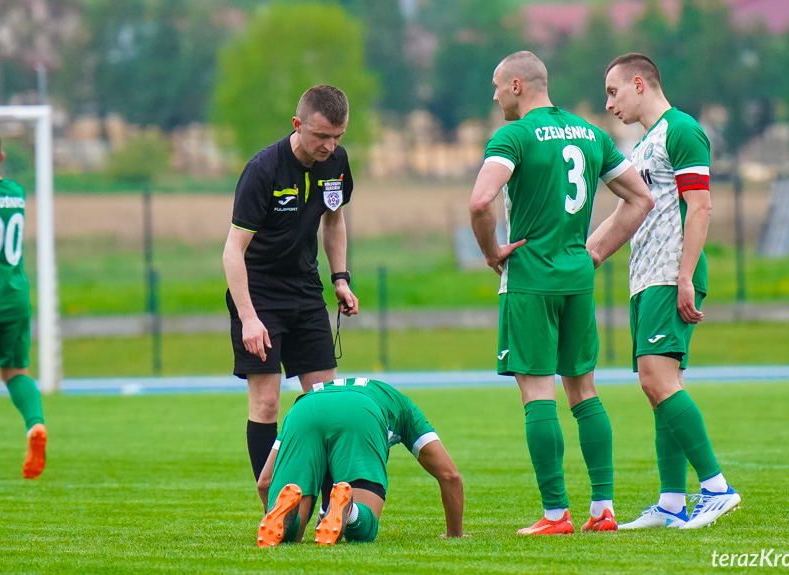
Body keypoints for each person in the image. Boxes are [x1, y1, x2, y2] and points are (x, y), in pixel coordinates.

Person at [469, 51, 653, 535]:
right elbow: (641, 198)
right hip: (576, 278)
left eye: (495, 85)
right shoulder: (592, 134)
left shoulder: (514, 136)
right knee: (585, 391)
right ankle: (603, 510)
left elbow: (481, 200)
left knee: (536, 393)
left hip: (529, 279)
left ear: (515, 85)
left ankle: (555, 515)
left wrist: (492, 251)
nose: (492, 96)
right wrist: (595, 252)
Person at [595, 53, 740, 529]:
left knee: (657, 380)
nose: (609, 103)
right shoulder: (643, 145)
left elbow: (700, 207)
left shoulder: (681, 130)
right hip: (645, 278)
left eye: (614, 91)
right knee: (659, 389)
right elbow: (625, 216)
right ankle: (672, 503)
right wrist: (584, 256)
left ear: (640, 84)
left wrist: (685, 275)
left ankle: (716, 488)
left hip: (669, 275)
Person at [222, 85, 359, 484]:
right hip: (259, 292)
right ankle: (276, 503)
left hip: (305, 289)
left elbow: (334, 220)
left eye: (338, 137)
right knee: (266, 403)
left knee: (324, 403)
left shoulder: (336, 162)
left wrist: (340, 279)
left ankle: (330, 503)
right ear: (298, 125)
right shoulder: (263, 170)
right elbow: (233, 251)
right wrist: (249, 318)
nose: (330, 146)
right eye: (321, 136)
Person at [254, 377, 465, 546]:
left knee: (289, 537)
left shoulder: (308, 401)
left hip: (304, 408)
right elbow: (449, 475)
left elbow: (265, 481)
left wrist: (269, 506)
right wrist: (454, 534)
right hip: (363, 410)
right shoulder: (404, 407)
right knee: (363, 532)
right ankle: (351, 508)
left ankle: (282, 515)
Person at [0, 131, 47, 479]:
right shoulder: (16, 192)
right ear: (0, 156)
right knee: (15, 373)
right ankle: (35, 426)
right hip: (14, 297)